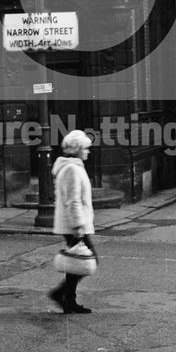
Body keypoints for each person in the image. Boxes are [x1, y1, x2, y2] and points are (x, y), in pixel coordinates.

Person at [49, 129, 97, 314]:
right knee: (86, 260)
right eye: (85, 148)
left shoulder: (73, 166)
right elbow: (73, 200)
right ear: (76, 149)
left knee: (78, 261)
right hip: (73, 225)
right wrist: (78, 226)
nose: (88, 151)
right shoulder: (71, 169)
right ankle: (61, 295)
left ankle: (68, 300)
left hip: (73, 223)